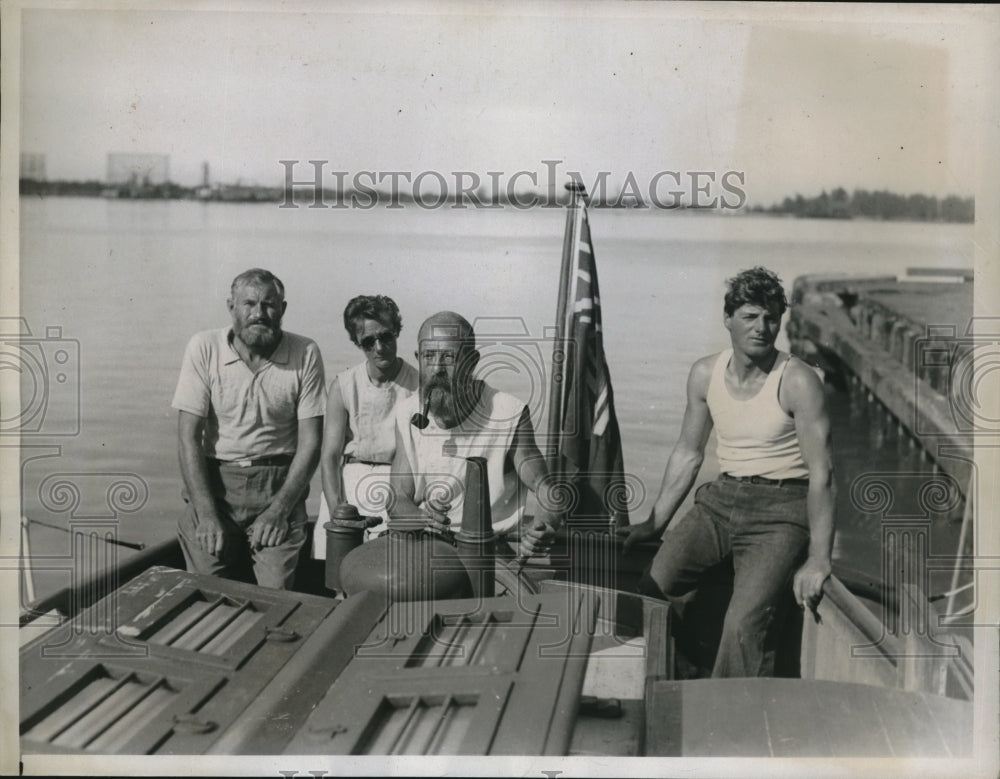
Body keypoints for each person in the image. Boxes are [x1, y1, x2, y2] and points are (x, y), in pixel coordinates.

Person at [618, 266, 835, 678]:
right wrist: (653, 523)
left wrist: (820, 559)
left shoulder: (799, 382)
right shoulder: (705, 374)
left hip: (782, 512)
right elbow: (688, 453)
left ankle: (723, 720)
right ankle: (673, 689)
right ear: (728, 319)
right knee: (655, 588)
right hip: (719, 502)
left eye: (771, 317)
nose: (762, 327)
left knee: (743, 625)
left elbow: (824, 474)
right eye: (751, 316)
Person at [173, 268, 325, 589]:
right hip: (215, 488)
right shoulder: (204, 347)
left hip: (278, 487)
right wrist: (207, 513)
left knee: (276, 593)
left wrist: (279, 510)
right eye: (249, 304)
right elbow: (188, 437)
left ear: (282, 309)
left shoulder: (305, 352)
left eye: (270, 305)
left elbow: (311, 443)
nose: (260, 313)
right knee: (204, 590)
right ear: (231, 308)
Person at [389, 311, 556, 560]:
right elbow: (397, 497)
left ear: (473, 361)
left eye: (449, 357)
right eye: (429, 356)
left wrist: (545, 525)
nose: (437, 369)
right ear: (418, 358)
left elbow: (545, 488)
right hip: (427, 549)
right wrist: (421, 518)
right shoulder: (406, 413)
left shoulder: (509, 413)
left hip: (489, 553)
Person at [311, 295, 418, 559]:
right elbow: (330, 456)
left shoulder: (418, 385)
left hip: (399, 483)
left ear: (397, 332)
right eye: (369, 342)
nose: (379, 348)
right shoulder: (344, 385)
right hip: (351, 481)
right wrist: (338, 511)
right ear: (357, 343)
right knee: (338, 569)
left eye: (386, 337)